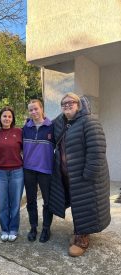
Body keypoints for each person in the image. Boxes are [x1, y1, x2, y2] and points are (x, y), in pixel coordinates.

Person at [50, 92, 111, 257]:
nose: (67, 105)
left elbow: (97, 150)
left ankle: (82, 239)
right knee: (78, 205)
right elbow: (46, 127)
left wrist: (89, 175)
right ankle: (79, 231)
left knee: (87, 206)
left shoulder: (89, 122)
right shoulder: (62, 123)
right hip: (69, 176)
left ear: (79, 105)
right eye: (64, 103)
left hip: (85, 177)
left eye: (71, 102)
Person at [23, 99, 54, 243]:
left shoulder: (51, 127)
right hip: (29, 169)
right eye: (31, 110)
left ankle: (46, 228)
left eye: (36, 109)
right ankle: (33, 227)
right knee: (31, 201)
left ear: (41, 109)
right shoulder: (25, 128)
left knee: (48, 201)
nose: (33, 112)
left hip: (46, 170)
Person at [0, 107, 24, 242]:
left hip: (17, 172)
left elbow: (25, 150)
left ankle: (14, 229)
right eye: (4, 116)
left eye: (9, 116)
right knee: (3, 203)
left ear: (13, 119)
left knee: (15, 203)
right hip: (0, 172)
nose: (7, 119)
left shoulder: (19, 132)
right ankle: (4, 229)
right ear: (0, 118)